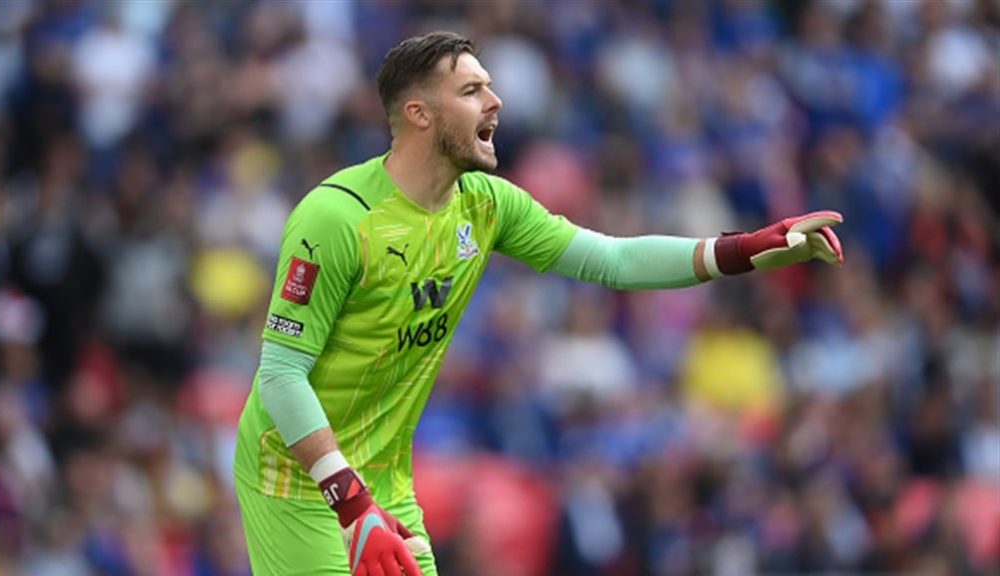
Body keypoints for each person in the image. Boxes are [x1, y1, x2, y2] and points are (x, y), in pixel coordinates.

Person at [232, 30, 844, 576]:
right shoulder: (336, 218)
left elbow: (612, 260)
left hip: (382, 482)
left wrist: (742, 250)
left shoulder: (487, 204)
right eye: (471, 91)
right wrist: (349, 501)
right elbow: (281, 372)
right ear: (419, 114)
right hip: (298, 482)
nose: (495, 102)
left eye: (489, 86)